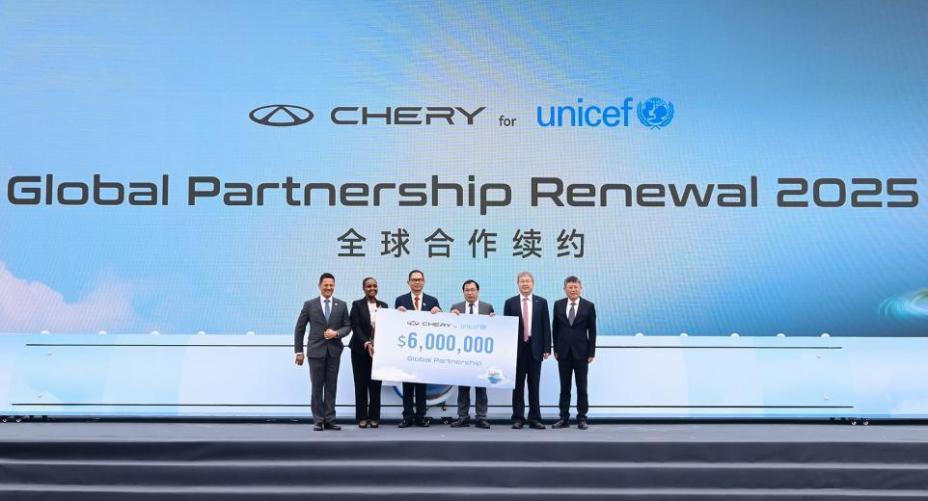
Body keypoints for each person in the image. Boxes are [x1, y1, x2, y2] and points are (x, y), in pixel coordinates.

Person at [294, 272, 352, 431]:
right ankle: (318, 420)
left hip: (334, 352)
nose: (329, 287)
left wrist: (336, 333)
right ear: (319, 286)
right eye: (326, 285)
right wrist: (299, 351)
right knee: (317, 387)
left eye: (331, 285)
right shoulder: (309, 305)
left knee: (331, 387)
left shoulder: (341, 305)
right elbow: (299, 328)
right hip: (315, 352)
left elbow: (347, 326)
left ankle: (330, 419)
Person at [503, 271, 551, 430]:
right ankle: (518, 418)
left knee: (534, 386)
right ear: (518, 284)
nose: (525, 284)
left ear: (533, 283)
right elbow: (506, 329)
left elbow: (546, 326)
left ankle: (535, 418)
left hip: (535, 349)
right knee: (517, 386)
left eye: (528, 281)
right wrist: (507, 350)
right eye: (522, 281)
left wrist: (547, 347)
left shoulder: (541, 302)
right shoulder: (510, 303)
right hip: (517, 350)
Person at [394, 269, 441, 427]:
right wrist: (396, 314)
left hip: (425, 351)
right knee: (407, 385)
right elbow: (396, 324)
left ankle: (421, 416)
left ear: (424, 281)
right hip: (407, 350)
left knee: (421, 385)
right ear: (408, 282)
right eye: (414, 280)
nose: (417, 282)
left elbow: (441, 324)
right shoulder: (400, 300)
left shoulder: (432, 301)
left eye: (419, 279)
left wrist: (439, 313)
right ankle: (407, 416)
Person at [551, 275, 597, 430]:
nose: (573, 290)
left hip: (582, 353)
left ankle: (582, 418)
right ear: (564, 289)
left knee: (581, 387)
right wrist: (556, 349)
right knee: (565, 387)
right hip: (563, 353)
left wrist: (591, 352)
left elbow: (592, 331)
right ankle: (563, 418)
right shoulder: (558, 304)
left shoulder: (588, 306)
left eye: (575, 287)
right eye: (570, 287)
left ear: (580, 288)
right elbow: (555, 328)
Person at [449, 279, 494, 429]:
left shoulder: (487, 307)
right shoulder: (456, 308)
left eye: (472, 290)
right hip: (462, 355)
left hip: (481, 356)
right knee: (463, 388)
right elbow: (449, 328)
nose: (470, 293)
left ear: (478, 291)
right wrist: (450, 317)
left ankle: (481, 417)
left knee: (481, 387)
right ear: (463, 292)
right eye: (467, 290)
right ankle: (463, 417)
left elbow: (493, 330)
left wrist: (495, 320)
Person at [349, 277, 387, 429]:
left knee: (376, 385)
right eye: (369, 286)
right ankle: (362, 417)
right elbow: (355, 326)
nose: (372, 288)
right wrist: (366, 342)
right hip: (360, 350)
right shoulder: (357, 305)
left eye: (375, 286)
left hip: (378, 352)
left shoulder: (384, 306)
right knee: (361, 385)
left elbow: (388, 327)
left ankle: (374, 417)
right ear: (363, 288)